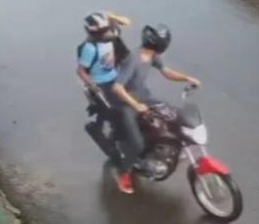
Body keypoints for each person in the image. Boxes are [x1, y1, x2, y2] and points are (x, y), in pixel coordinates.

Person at [111, 24, 200, 194]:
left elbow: (166, 72)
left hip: (145, 97)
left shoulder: (151, 55)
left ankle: (168, 148)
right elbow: (117, 87)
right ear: (161, 44)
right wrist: (136, 105)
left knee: (173, 114)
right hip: (127, 104)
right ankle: (123, 174)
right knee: (137, 144)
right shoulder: (134, 59)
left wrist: (186, 78)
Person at [76, 11, 131, 149]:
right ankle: (111, 135)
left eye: (107, 30)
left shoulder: (111, 36)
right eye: (103, 32)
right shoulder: (89, 48)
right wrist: (92, 85)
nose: (107, 34)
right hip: (100, 83)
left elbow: (126, 21)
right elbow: (80, 70)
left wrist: (110, 16)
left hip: (114, 76)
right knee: (111, 110)